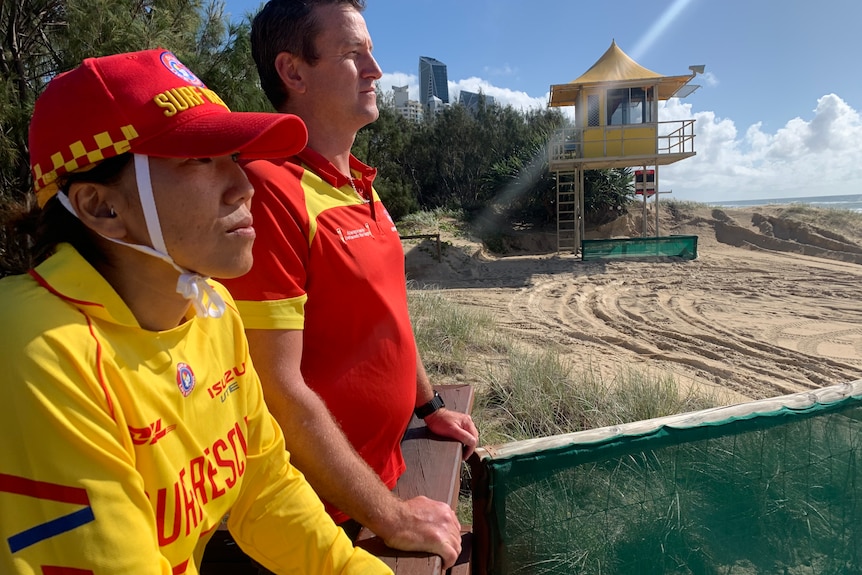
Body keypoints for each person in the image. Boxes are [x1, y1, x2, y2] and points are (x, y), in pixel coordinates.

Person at [0, 48, 391, 575]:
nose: (244, 186)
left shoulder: (211, 311)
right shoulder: (36, 349)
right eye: (198, 160)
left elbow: (266, 485)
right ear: (101, 207)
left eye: (232, 156)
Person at [217, 0, 479, 568]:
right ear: (293, 72)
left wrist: (428, 402)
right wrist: (391, 515)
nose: (376, 70)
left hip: (379, 473)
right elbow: (275, 392)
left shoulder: (358, 184)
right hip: (315, 512)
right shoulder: (268, 191)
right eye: (353, 54)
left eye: (372, 52)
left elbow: (388, 315)